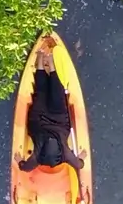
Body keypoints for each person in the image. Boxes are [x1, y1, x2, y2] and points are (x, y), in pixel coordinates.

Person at [19, 40, 85, 172]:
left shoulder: (65, 155)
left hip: (59, 119)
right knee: (41, 92)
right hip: (39, 119)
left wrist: (81, 158)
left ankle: (51, 63)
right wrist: (19, 161)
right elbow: (25, 167)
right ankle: (41, 59)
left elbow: (79, 165)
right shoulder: (38, 157)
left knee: (57, 93)